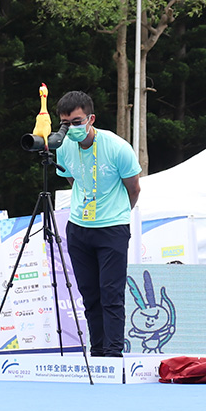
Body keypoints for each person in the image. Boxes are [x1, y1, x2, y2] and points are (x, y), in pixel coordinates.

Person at [55, 90, 141, 358]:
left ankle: (114, 353)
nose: (72, 129)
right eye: (66, 123)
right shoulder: (62, 146)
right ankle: (97, 351)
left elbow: (134, 188)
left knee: (111, 294)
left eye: (78, 122)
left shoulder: (117, 147)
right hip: (79, 228)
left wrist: (116, 215)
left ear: (91, 119)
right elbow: (71, 180)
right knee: (89, 295)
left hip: (112, 227)